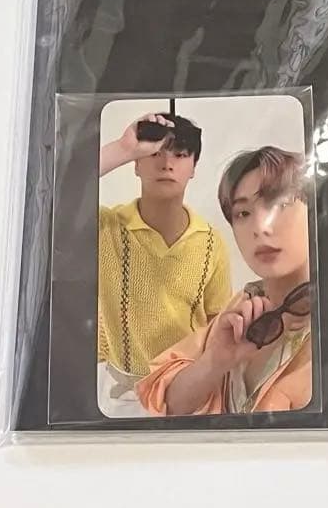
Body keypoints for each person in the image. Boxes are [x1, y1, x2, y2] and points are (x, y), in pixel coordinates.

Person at [136, 146, 312, 416]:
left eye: (280, 204)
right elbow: (165, 401)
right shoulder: (241, 308)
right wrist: (216, 362)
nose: (261, 227)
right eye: (243, 213)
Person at [97, 112, 231, 416]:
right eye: (155, 153)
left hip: (187, 391)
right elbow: (55, 189)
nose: (167, 163)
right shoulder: (106, 228)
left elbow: (217, 327)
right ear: (136, 164)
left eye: (180, 154)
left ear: (193, 167)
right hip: (123, 394)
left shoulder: (211, 242)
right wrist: (123, 148)